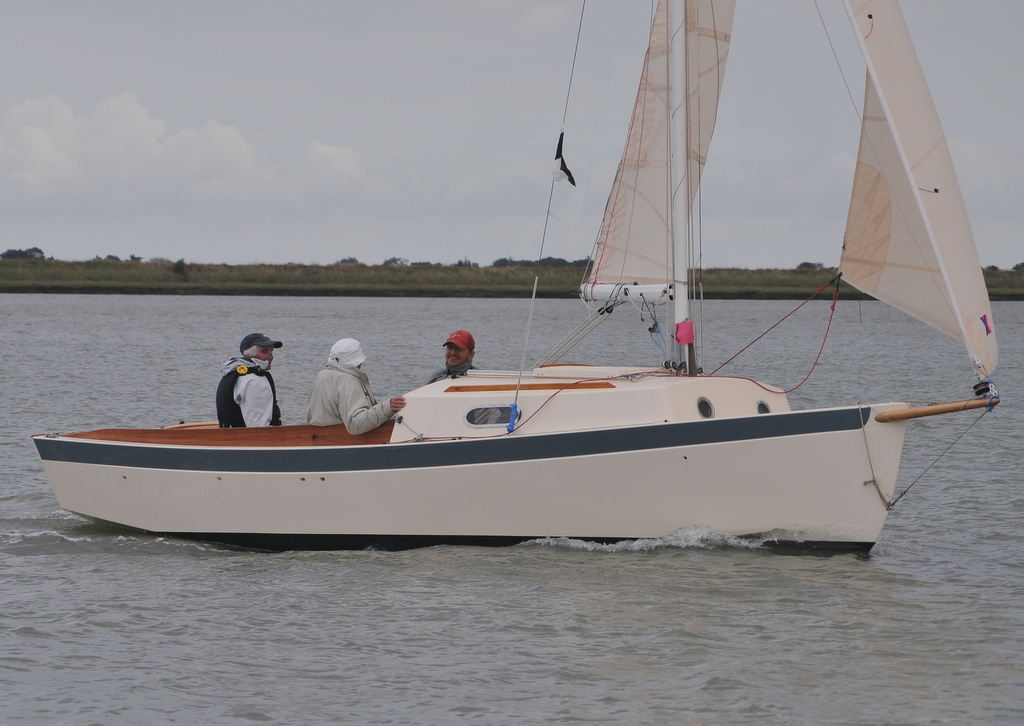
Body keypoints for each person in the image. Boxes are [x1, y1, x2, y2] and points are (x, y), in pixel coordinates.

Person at [306, 338, 406, 433]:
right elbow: (355, 425)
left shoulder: (322, 375)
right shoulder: (348, 381)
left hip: (318, 438)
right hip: (344, 440)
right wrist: (388, 407)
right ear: (358, 361)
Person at [216, 333, 284, 428]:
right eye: (265, 352)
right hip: (249, 440)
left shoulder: (233, 371)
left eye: (271, 351)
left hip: (231, 437)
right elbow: (258, 427)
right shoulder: (254, 381)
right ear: (250, 354)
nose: (271, 357)